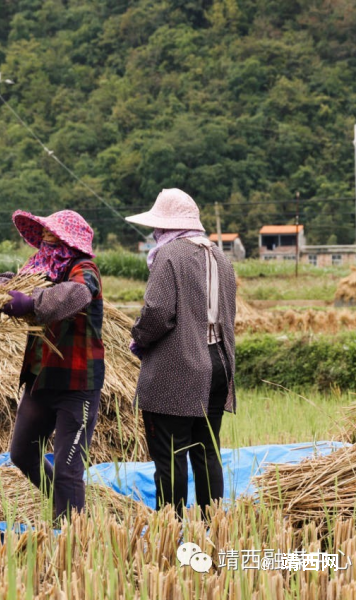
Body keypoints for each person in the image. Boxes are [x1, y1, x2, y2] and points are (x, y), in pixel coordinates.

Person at [125, 188, 237, 518]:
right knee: (207, 451)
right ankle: (212, 526)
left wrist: (138, 337)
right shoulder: (220, 256)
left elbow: (158, 312)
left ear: (166, 227)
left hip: (179, 368)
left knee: (171, 453)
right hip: (219, 363)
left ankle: (170, 532)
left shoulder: (170, 255)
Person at [0, 210, 104, 521]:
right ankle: (66, 509)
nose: (44, 239)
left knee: (69, 469)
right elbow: (15, 282)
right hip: (41, 380)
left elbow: (76, 293)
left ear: (68, 240)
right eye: (43, 233)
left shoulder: (84, 270)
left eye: (51, 235)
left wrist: (32, 304)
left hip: (77, 384)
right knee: (22, 454)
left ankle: (71, 537)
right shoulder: (41, 268)